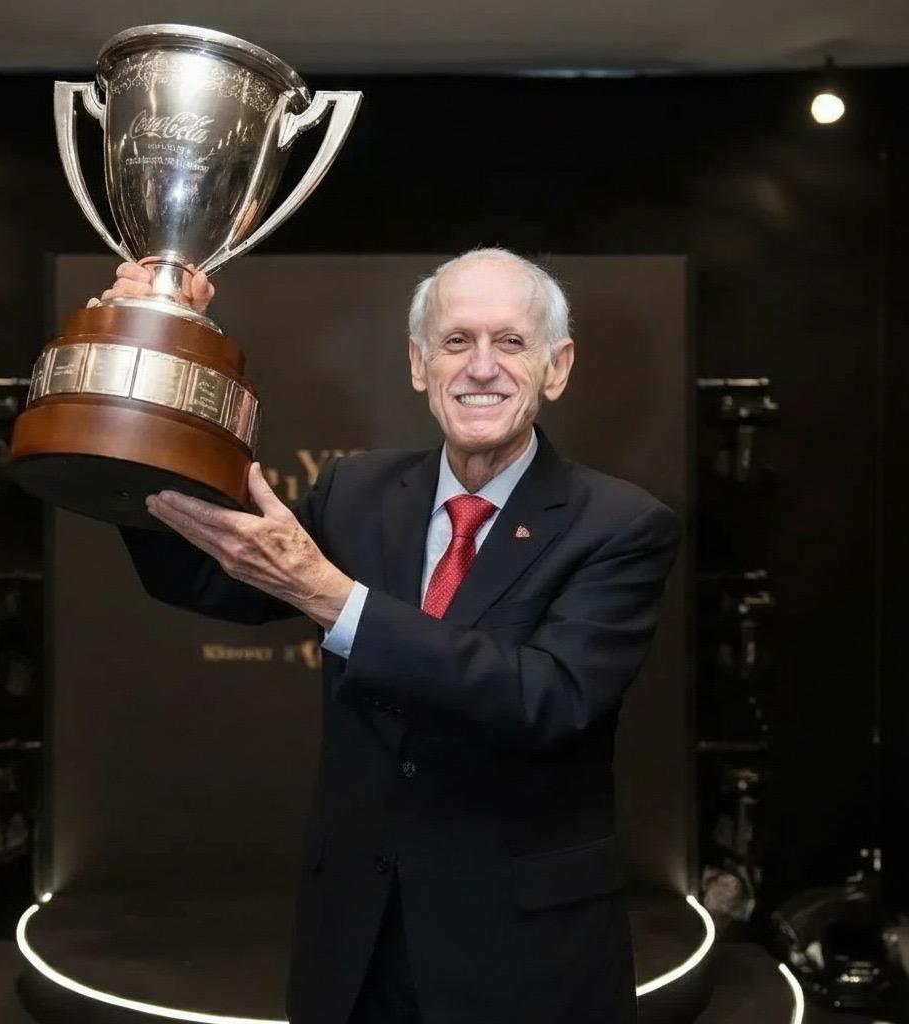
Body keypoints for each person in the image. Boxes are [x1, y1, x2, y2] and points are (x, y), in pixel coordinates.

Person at [111, 248, 682, 1024]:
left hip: (524, 959)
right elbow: (201, 577)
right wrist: (155, 344)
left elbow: (548, 699)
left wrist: (334, 598)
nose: (482, 367)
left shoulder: (621, 525)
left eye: (512, 342)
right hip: (355, 946)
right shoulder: (356, 490)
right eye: (456, 341)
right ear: (419, 364)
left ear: (557, 367)